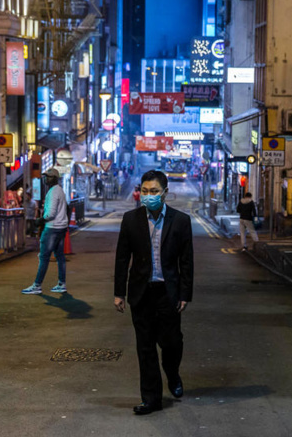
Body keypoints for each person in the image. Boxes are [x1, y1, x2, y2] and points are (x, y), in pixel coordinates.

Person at [114, 170, 194, 415]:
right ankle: (151, 399)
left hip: (168, 292)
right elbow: (122, 258)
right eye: (145, 191)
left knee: (171, 343)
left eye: (154, 192)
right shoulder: (130, 220)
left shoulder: (180, 221)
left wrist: (184, 294)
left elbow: (186, 261)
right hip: (141, 293)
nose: (148, 196)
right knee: (145, 347)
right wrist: (119, 293)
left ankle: (173, 374)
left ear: (165, 193)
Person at [22, 168, 68, 295]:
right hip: (61, 227)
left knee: (44, 257)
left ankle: (37, 285)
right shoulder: (60, 190)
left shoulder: (53, 192)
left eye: (48, 177)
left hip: (52, 228)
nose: (45, 179)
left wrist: (41, 220)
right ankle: (61, 283)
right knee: (60, 257)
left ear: (54, 178)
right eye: (45, 177)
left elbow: (51, 213)